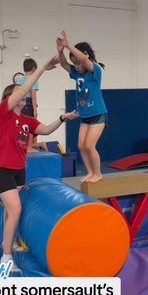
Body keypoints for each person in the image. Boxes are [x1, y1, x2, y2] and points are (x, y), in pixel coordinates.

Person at [0, 56, 79, 271]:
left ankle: (7, 241)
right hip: (2, 169)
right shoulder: (4, 113)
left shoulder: (27, 121)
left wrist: (63, 118)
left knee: (10, 210)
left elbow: (46, 130)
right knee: (16, 209)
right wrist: (42, 70)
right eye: (18, 94)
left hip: (19, 170)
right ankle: (6, 257)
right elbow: (22, 90)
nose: (23, 97)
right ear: (10, 97)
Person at [56, 30, 107, 183]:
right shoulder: (77, 74)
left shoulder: (95, 71)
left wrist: (68, 45)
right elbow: (64, 64)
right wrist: (60, 51)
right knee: (81, 145)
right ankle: (90, 172)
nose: (77, 66)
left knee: (90, 145)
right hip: (85, 116)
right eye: (75, 64)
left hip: (98, 114)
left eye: (78, 63)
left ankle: (98, 173)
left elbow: (84, 60)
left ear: (86, 58)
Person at [16, 58, 40, 152]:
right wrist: (35, 110)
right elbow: (33, 95)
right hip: (28, 103)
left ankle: (21, 145)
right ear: (34, 69)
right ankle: (29, 147)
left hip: (19, 104)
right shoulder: (33, 79)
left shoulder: (19, 80)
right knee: (30, 124)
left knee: (21, 125)